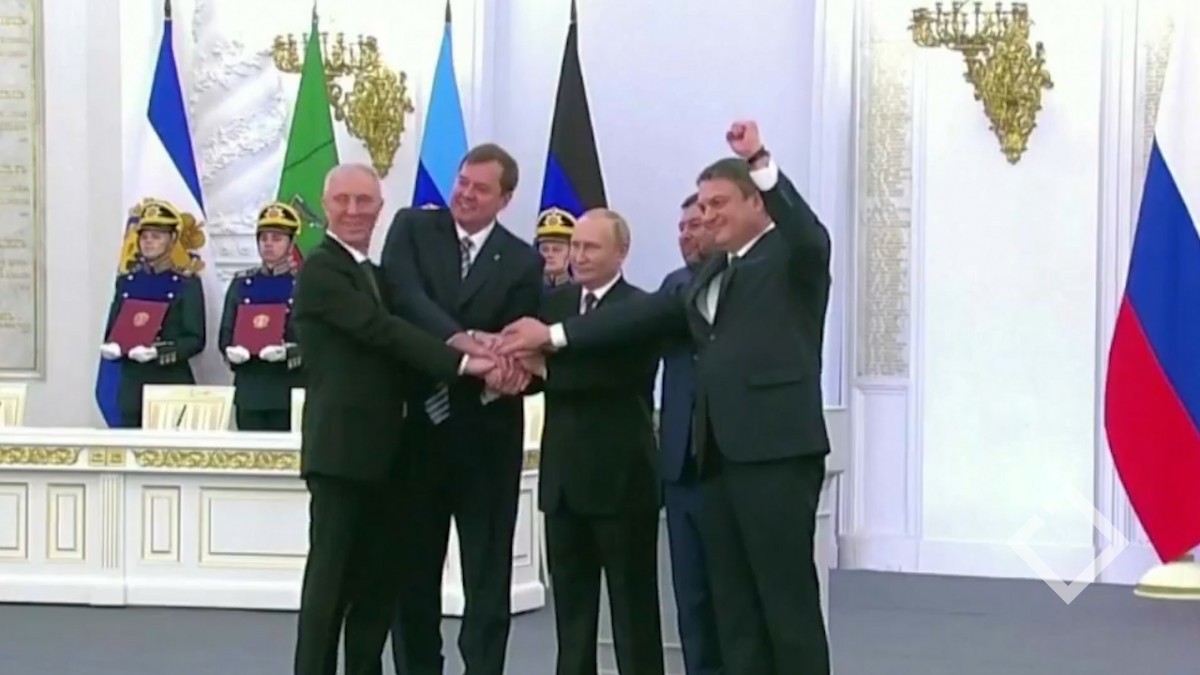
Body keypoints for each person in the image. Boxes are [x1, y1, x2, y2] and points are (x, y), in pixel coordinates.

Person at [499, 121, 832, 675]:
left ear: (757, 202)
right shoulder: (705, 275)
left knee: (785, 602)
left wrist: (759, 158)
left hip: (775, 457)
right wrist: (553, 335)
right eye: (702, 205)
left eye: (719, 203)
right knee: (733, 609)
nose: (707, 216)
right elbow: (634, 318)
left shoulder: (793, 257)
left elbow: (807, 230)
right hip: (714, 462)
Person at [290, 163, 495, 675]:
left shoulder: (377, 276)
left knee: (377, 588)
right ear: (325, 205)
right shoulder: (321, 270)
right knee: (330, 587)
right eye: (343, 200)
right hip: (341, 455)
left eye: (365, 201)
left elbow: (402, 345)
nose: (354, 210)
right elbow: (380, 330)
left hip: (390, 457)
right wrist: (464, 360)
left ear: (381, 208)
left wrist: (490, 348)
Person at [379, 143, 544, 675]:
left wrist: (504, 363)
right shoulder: (412, 228)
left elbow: (521, 343)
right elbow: (405, 299)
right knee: (412, 573)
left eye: (481, 188)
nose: (466, 195)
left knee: (488, 578)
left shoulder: (523, 260)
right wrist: (466, 344)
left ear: (505, 198)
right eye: (463, 182)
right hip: (417, 436)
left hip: (487, 439)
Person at [521, 209, 664, 675]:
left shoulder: (641, 308)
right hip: (563, 485)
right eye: (575, 246)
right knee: (572, 615)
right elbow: (535, 373)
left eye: (590, 247)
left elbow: (620, 375)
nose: (578, 256)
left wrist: (549, 368)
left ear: (621, 252)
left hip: (622, 484)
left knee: (633, 611)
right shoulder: (554, 305)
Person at [657, 193, 723, 675]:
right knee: (692, 600)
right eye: (681, 227)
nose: (685, 235)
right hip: (680, 466)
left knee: (730, 598)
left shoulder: (740, 282)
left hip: (726, 464)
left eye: (694, 225)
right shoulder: (673, 285)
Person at [99, 198, 206, 428]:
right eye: (144, 236)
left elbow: (195, 339)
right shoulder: (127, 282)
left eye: (156, 236)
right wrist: (113, 347)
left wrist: (158, 352)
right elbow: (112, 331)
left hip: (171, 385)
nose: (148, 242)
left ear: (173, 239)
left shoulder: (186, 284)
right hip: (132, 389)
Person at [218, 201, 304, 431]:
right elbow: (225, 333)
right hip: (250, 389)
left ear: (291, 243)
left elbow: (317, 339)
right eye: (263, 238)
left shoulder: (304, 285)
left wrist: (289, 352)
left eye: (276, 239)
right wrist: (231, 352)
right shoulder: (242, 283)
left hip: (288, 388)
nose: (268, 244)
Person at [536, 207, 574, 289]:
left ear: (570, 253)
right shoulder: (526, 290)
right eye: (544, 249)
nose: (549, 255)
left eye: (557, 250)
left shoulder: (582, 291)